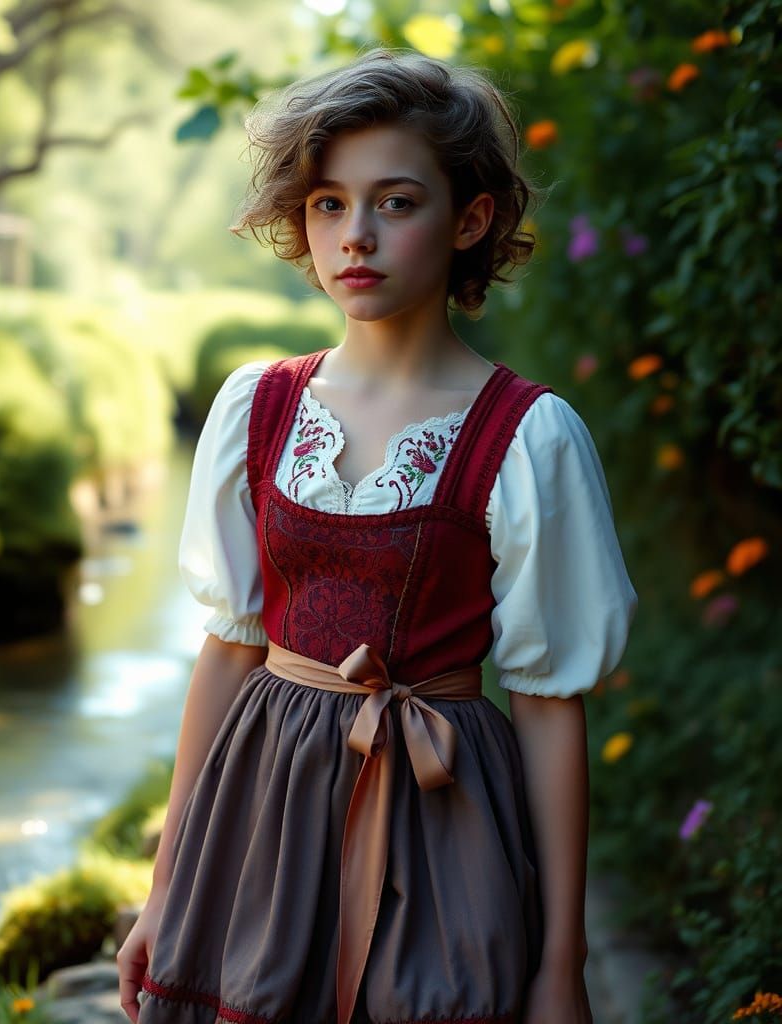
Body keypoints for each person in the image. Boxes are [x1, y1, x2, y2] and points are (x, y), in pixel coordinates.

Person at [117, 46, 638, 1024]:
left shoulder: (527, 438)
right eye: (327, 203)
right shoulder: (254, 408)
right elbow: (228, 651)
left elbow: (548, 705)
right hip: (260, 810)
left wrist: (560, 967)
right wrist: (162, 890)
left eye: (395, 202)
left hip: (444, 816)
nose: (354, 235)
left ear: (469, 218)